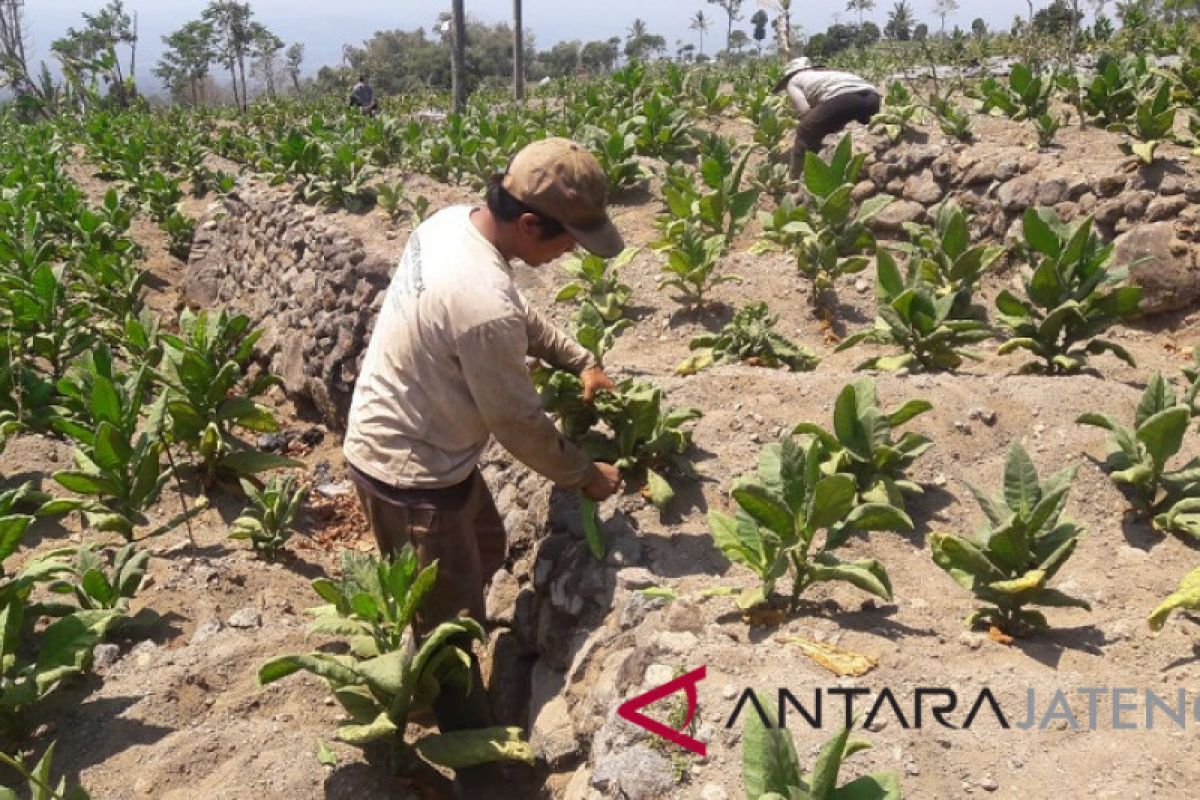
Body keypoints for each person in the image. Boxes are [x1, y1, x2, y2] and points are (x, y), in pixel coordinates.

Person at [342, 138, 624, 798]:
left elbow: (517, 314)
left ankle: (424, 679)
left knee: (488, 547)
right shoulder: (480, 303)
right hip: (407, 473)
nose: (568, 255)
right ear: (530, 224)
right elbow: (520, 426)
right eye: (567, 243)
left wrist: (578, 357)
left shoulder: (452, 225)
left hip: (431, 453)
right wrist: (586, 476)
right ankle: (481, 770)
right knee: (453, 636)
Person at [773, 57, 881, 178]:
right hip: (873, 99)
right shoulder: (823, 74)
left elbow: (805, 111)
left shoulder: (792, 81)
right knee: (835, 124)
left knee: (805, 129)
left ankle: (795, 178)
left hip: (844, 99)